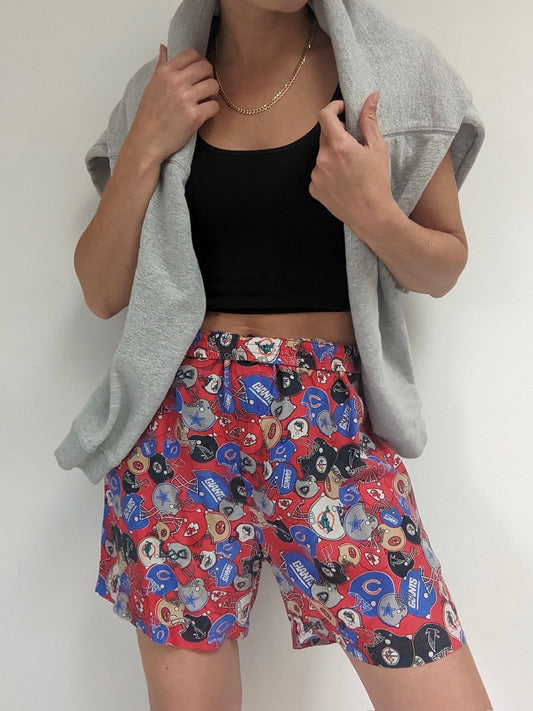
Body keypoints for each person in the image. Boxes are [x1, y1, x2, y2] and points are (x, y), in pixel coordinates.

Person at [57, 1, 493, 709]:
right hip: (178, 438)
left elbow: (441, 268)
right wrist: (142, 146)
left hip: (328, 431)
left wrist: (372, 212)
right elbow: (102, 291)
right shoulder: (159, 90)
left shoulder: (396, 74)